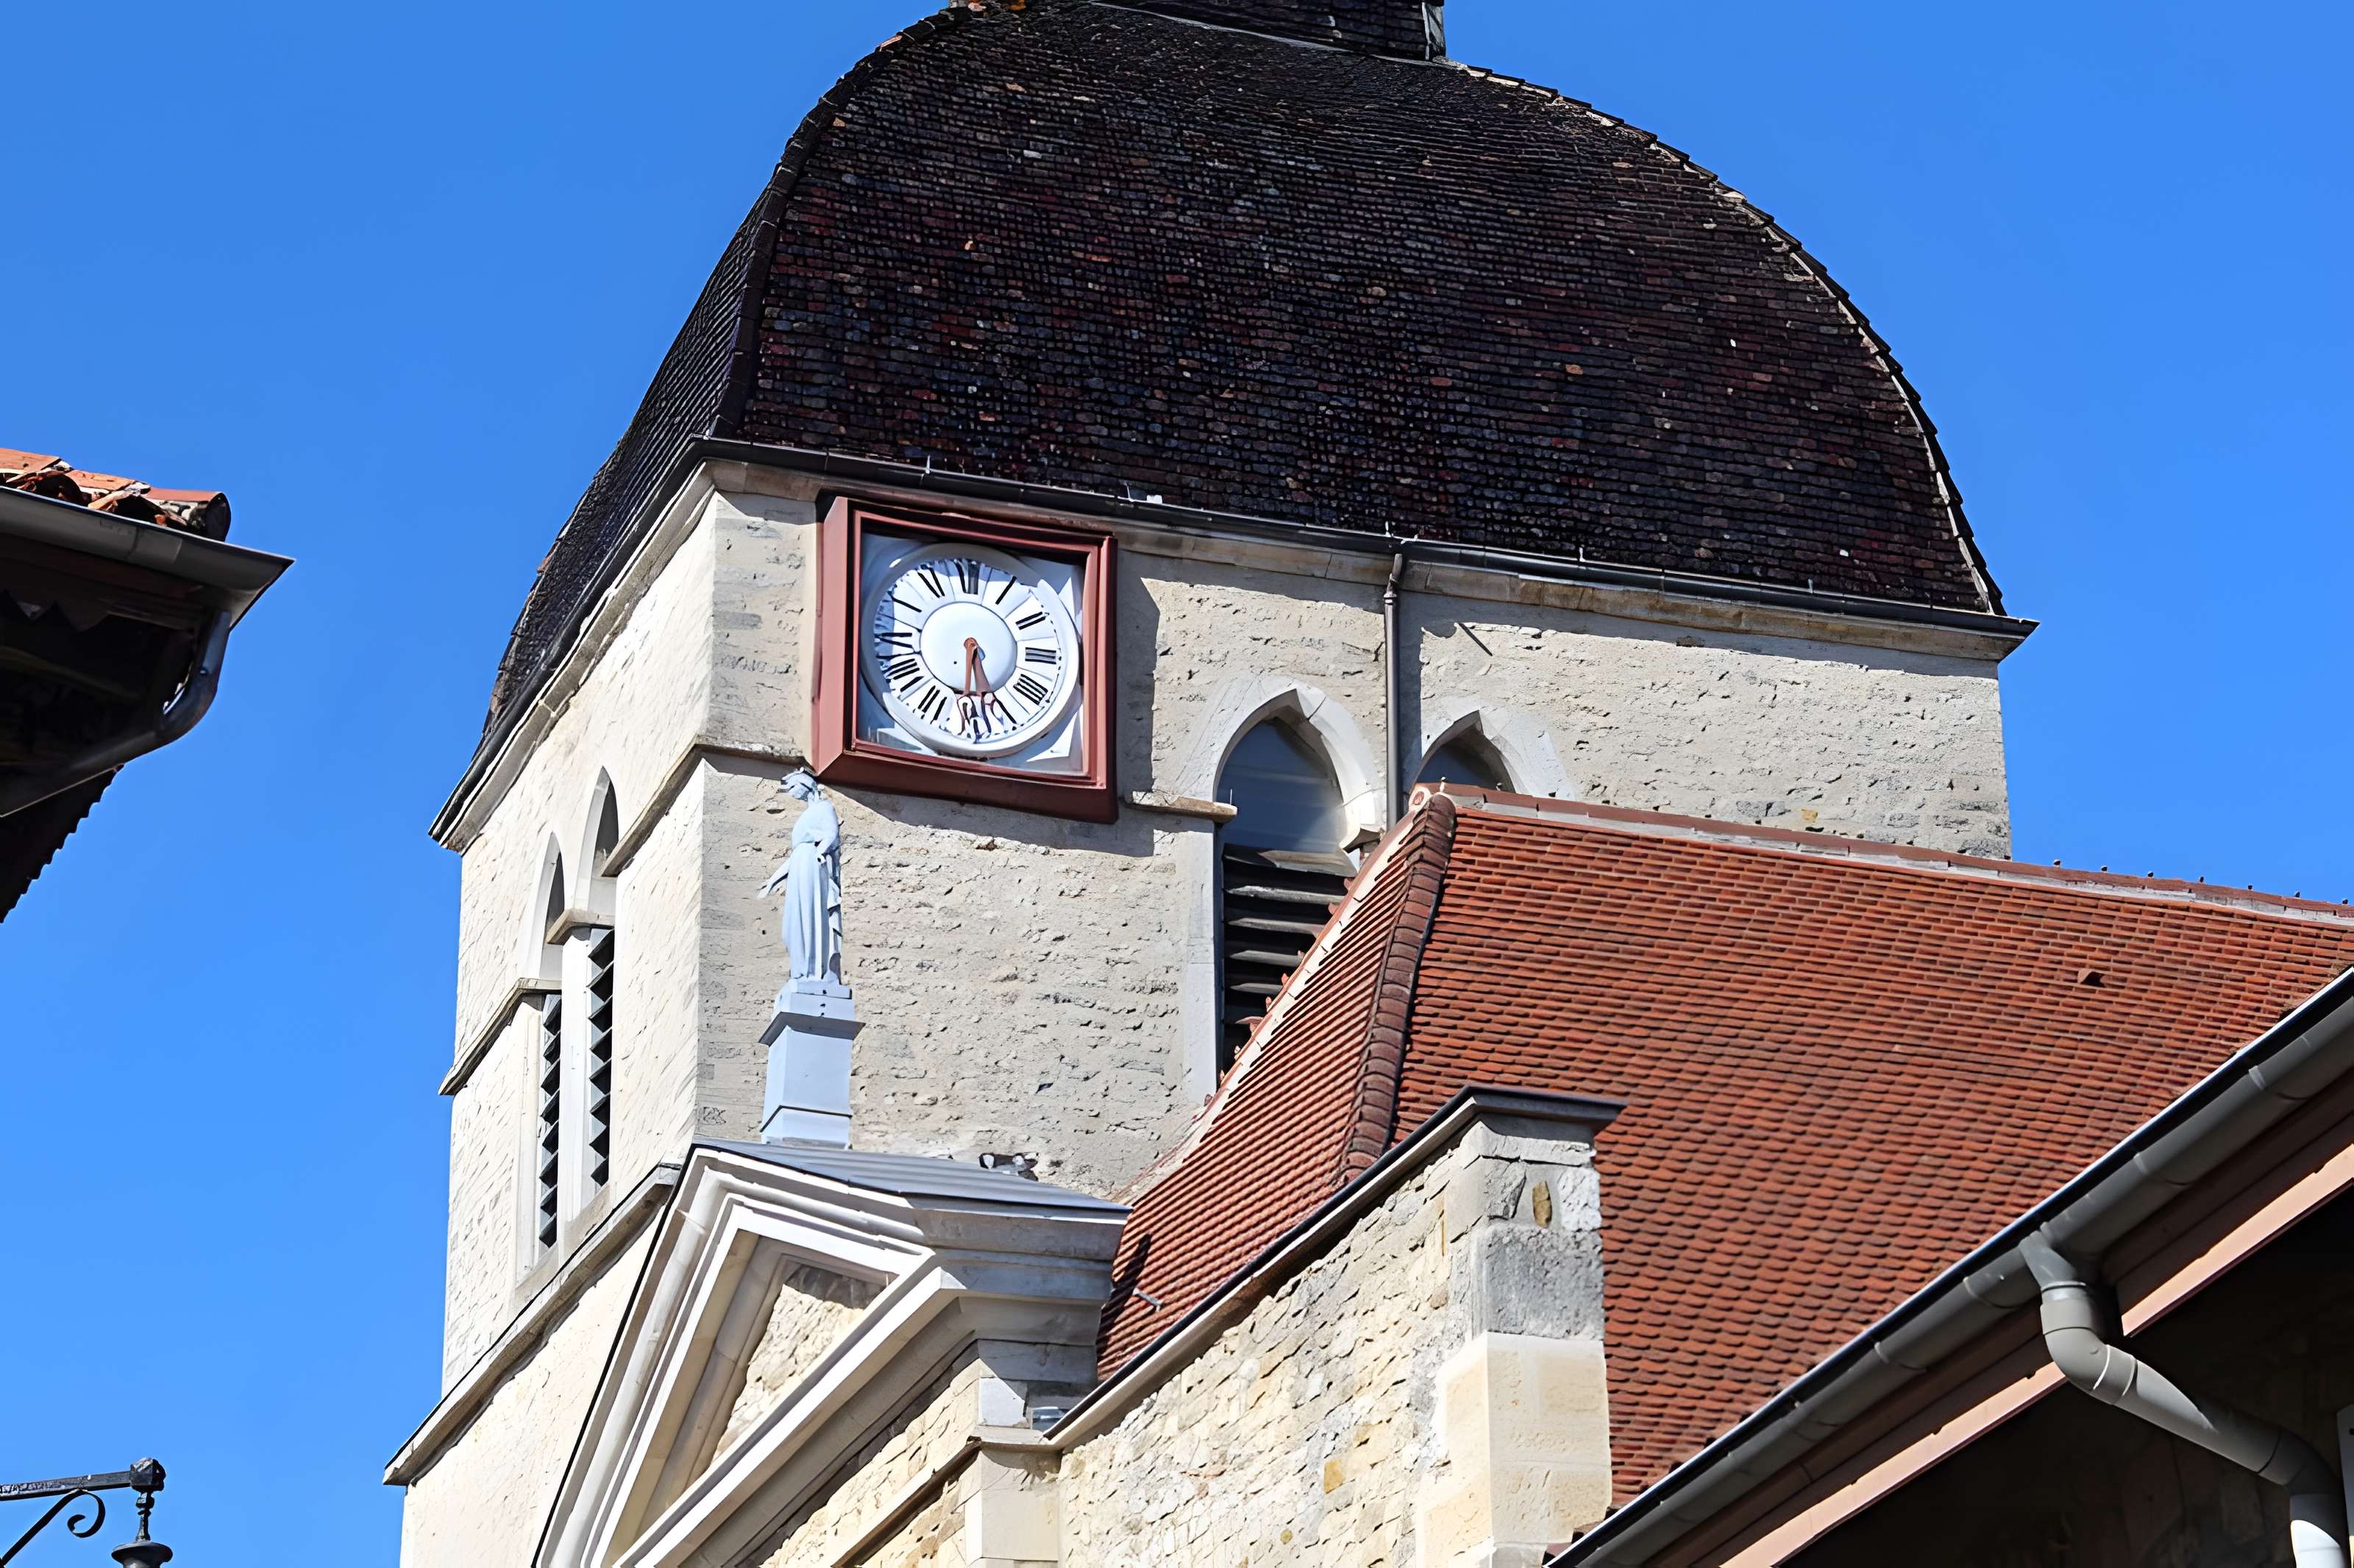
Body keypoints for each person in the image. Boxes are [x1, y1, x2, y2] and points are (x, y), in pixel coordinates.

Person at [760, 771, 844, 987]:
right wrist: (773, 880)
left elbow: (831, 833)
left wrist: (820, 852)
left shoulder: (824, 808)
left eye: (793, 789)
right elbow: (796, 855)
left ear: (805, 787)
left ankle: (814, 971)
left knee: (810, 914)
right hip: (799, 867)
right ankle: (800, 971)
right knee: (793, 925)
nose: (792, 794)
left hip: (812, 867)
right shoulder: (805, 817)